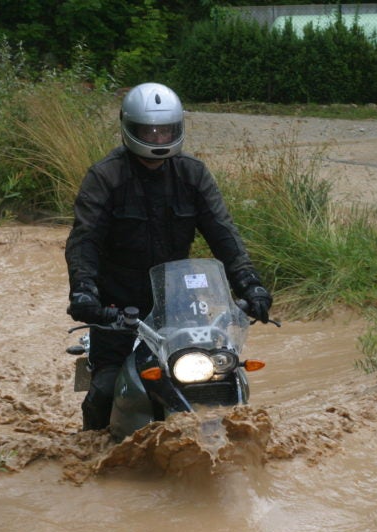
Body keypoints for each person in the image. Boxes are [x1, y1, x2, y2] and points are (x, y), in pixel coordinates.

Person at [64, 82, 273, 431]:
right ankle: (92, 455)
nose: (158, 138)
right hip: (118, 306)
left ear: (178, 129)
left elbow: (224, 234)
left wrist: (250, 285)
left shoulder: (193, 174)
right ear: (130, 128)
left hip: (179, 303)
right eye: (150, 131)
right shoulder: (105, 176)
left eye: (165, 131)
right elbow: (84, 241)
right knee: (104, 388)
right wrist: (84, 292)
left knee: (223, 372)